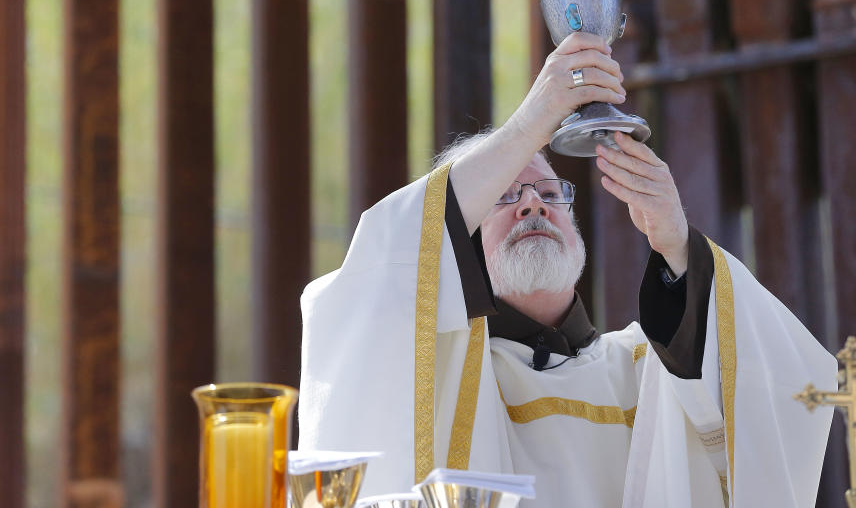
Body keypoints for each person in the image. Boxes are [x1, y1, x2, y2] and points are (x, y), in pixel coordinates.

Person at [298, 32, 837, 507]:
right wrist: (534, 121)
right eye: (505, 196)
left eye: (549, 192)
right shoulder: (437, 369)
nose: (532, 205)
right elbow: (371, 284)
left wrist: (676, 243)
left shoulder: (650, 370)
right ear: (453, 244)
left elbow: (779, 391)